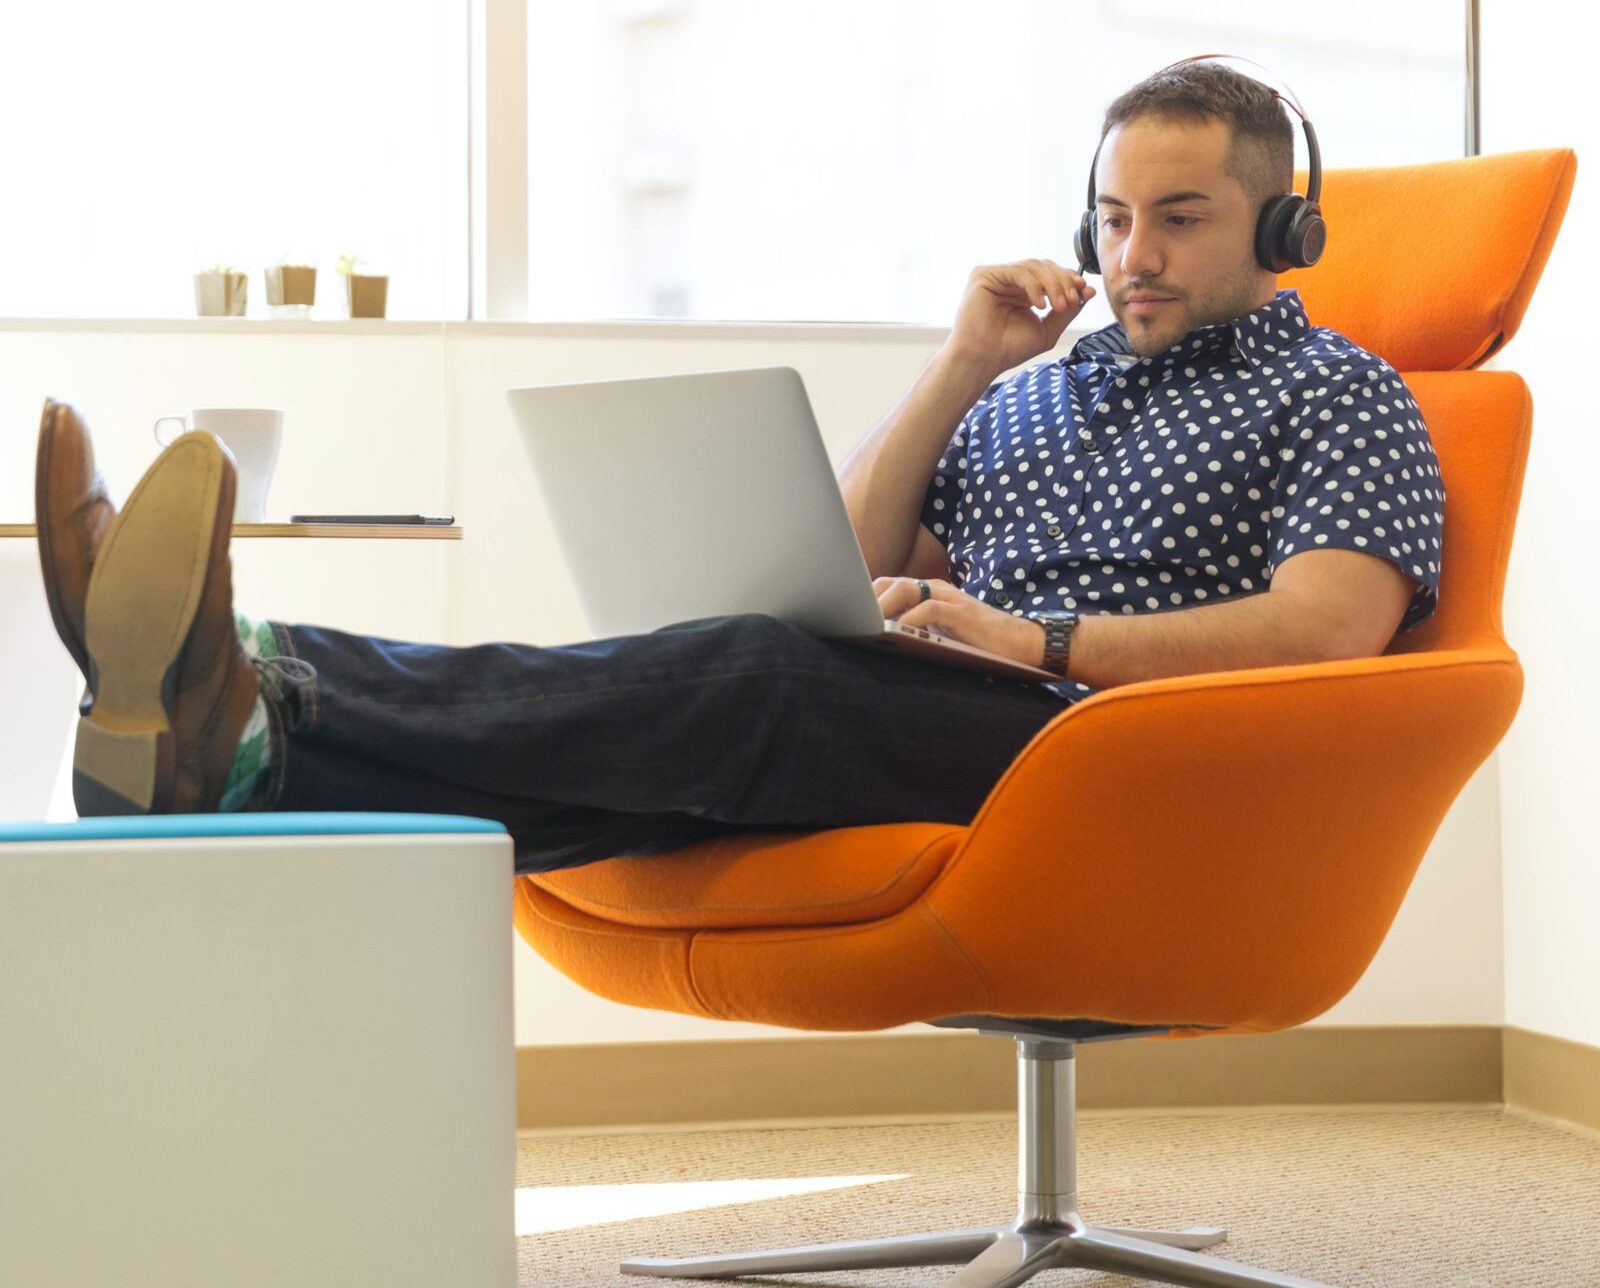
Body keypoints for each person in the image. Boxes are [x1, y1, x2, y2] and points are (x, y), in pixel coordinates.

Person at [35, 60, 1440, 873]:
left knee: (755, 679)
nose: (1132, 256)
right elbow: (827, 562)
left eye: (1180, 219)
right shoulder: (1038, 390)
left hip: (1116, 757)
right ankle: (231, 759)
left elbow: (1334, 626)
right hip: (955, 716)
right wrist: (961, 367)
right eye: (1115, 218)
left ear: (1283, 231)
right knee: (656, 750)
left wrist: (1034, 637)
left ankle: (265, 675)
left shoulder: (1338, 390)